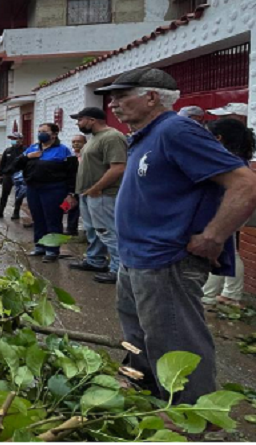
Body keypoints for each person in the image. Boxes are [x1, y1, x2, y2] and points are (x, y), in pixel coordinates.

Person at [100, 67, 256, 403]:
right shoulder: (145, 135)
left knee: (175, 339)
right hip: (135, 258)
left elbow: (245, 184)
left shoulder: (176, 130)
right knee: (140, 335)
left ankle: (192, 414)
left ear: (152, 97)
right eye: (112, 98)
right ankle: (145, 391)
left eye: (122, 96)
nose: (113, 104)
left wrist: (214, 235)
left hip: (166, 259)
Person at [66, 107, 127, 284]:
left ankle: (118, 270)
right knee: (93, 230)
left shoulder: (112, 137)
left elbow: (118, 167)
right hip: (88, 193)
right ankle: (95, 260)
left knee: (107, 231)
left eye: (80, 119)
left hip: (103, 194)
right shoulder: (95, 138)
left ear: (92, 120)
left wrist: (97, 188)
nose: (78, 123)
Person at [202, 118, 255, 308]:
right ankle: (229, 294)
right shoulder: (238, 157)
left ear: (218, 138)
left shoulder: (228, 160)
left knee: (217, 250)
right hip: (232, 209)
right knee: (230, 249)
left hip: (227, 210)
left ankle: (211, 296)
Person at [13, 123, 77, 263]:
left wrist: (71, 193)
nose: (41, 134)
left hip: (54, 189)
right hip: (33, 189)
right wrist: (28, 157)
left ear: (54, 134)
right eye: (39, 131)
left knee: (53, 219)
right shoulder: (33, 148)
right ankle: (40, 245)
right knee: (38, 218)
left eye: (45, 131)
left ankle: (52, 249)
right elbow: (16, 165)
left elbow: (72, 173)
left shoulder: (63, 150)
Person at [0, 133, 27, 219]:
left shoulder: (25, 150)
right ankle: (0, 211)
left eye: (15, 138)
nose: (13, 140)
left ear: (21, 139)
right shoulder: (7, 150)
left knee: (18, 195)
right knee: (4, 194)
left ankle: (16, 212)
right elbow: (2, 163)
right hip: (7, 175)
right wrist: (0, 174)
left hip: (20, 175)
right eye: (12, 139)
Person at [65, 134, 87, 236]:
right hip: (72, 187)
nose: (76, 144)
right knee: (69, 207)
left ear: (85, 143)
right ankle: (71, 229)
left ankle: (88, 232)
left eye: (79, 141)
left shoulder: (88, 156)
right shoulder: (69, 157)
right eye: (73, 142)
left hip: (86, 187)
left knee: (86, 210)